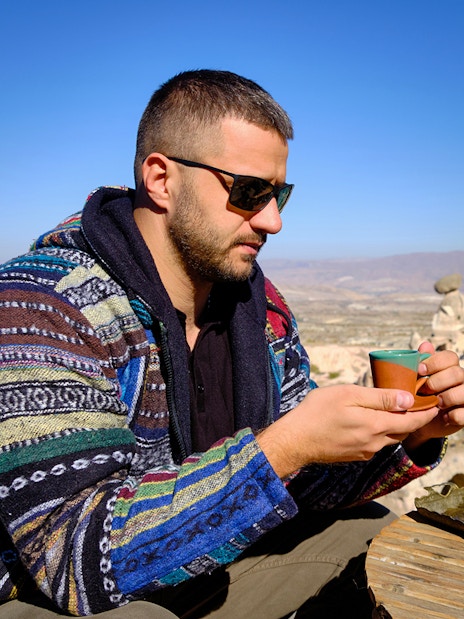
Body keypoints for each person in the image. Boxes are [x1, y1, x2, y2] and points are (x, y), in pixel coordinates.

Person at [0, 69, 463, 619]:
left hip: (201, 574)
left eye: (279, 195)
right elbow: (69, 559)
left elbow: (304, 482)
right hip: (50, 597)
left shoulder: (258, 308)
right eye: (250, 192)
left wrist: (408, 435)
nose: (272, 221)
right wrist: (282, 448)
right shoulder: (41, 306)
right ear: (161, 179)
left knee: (374, 537)